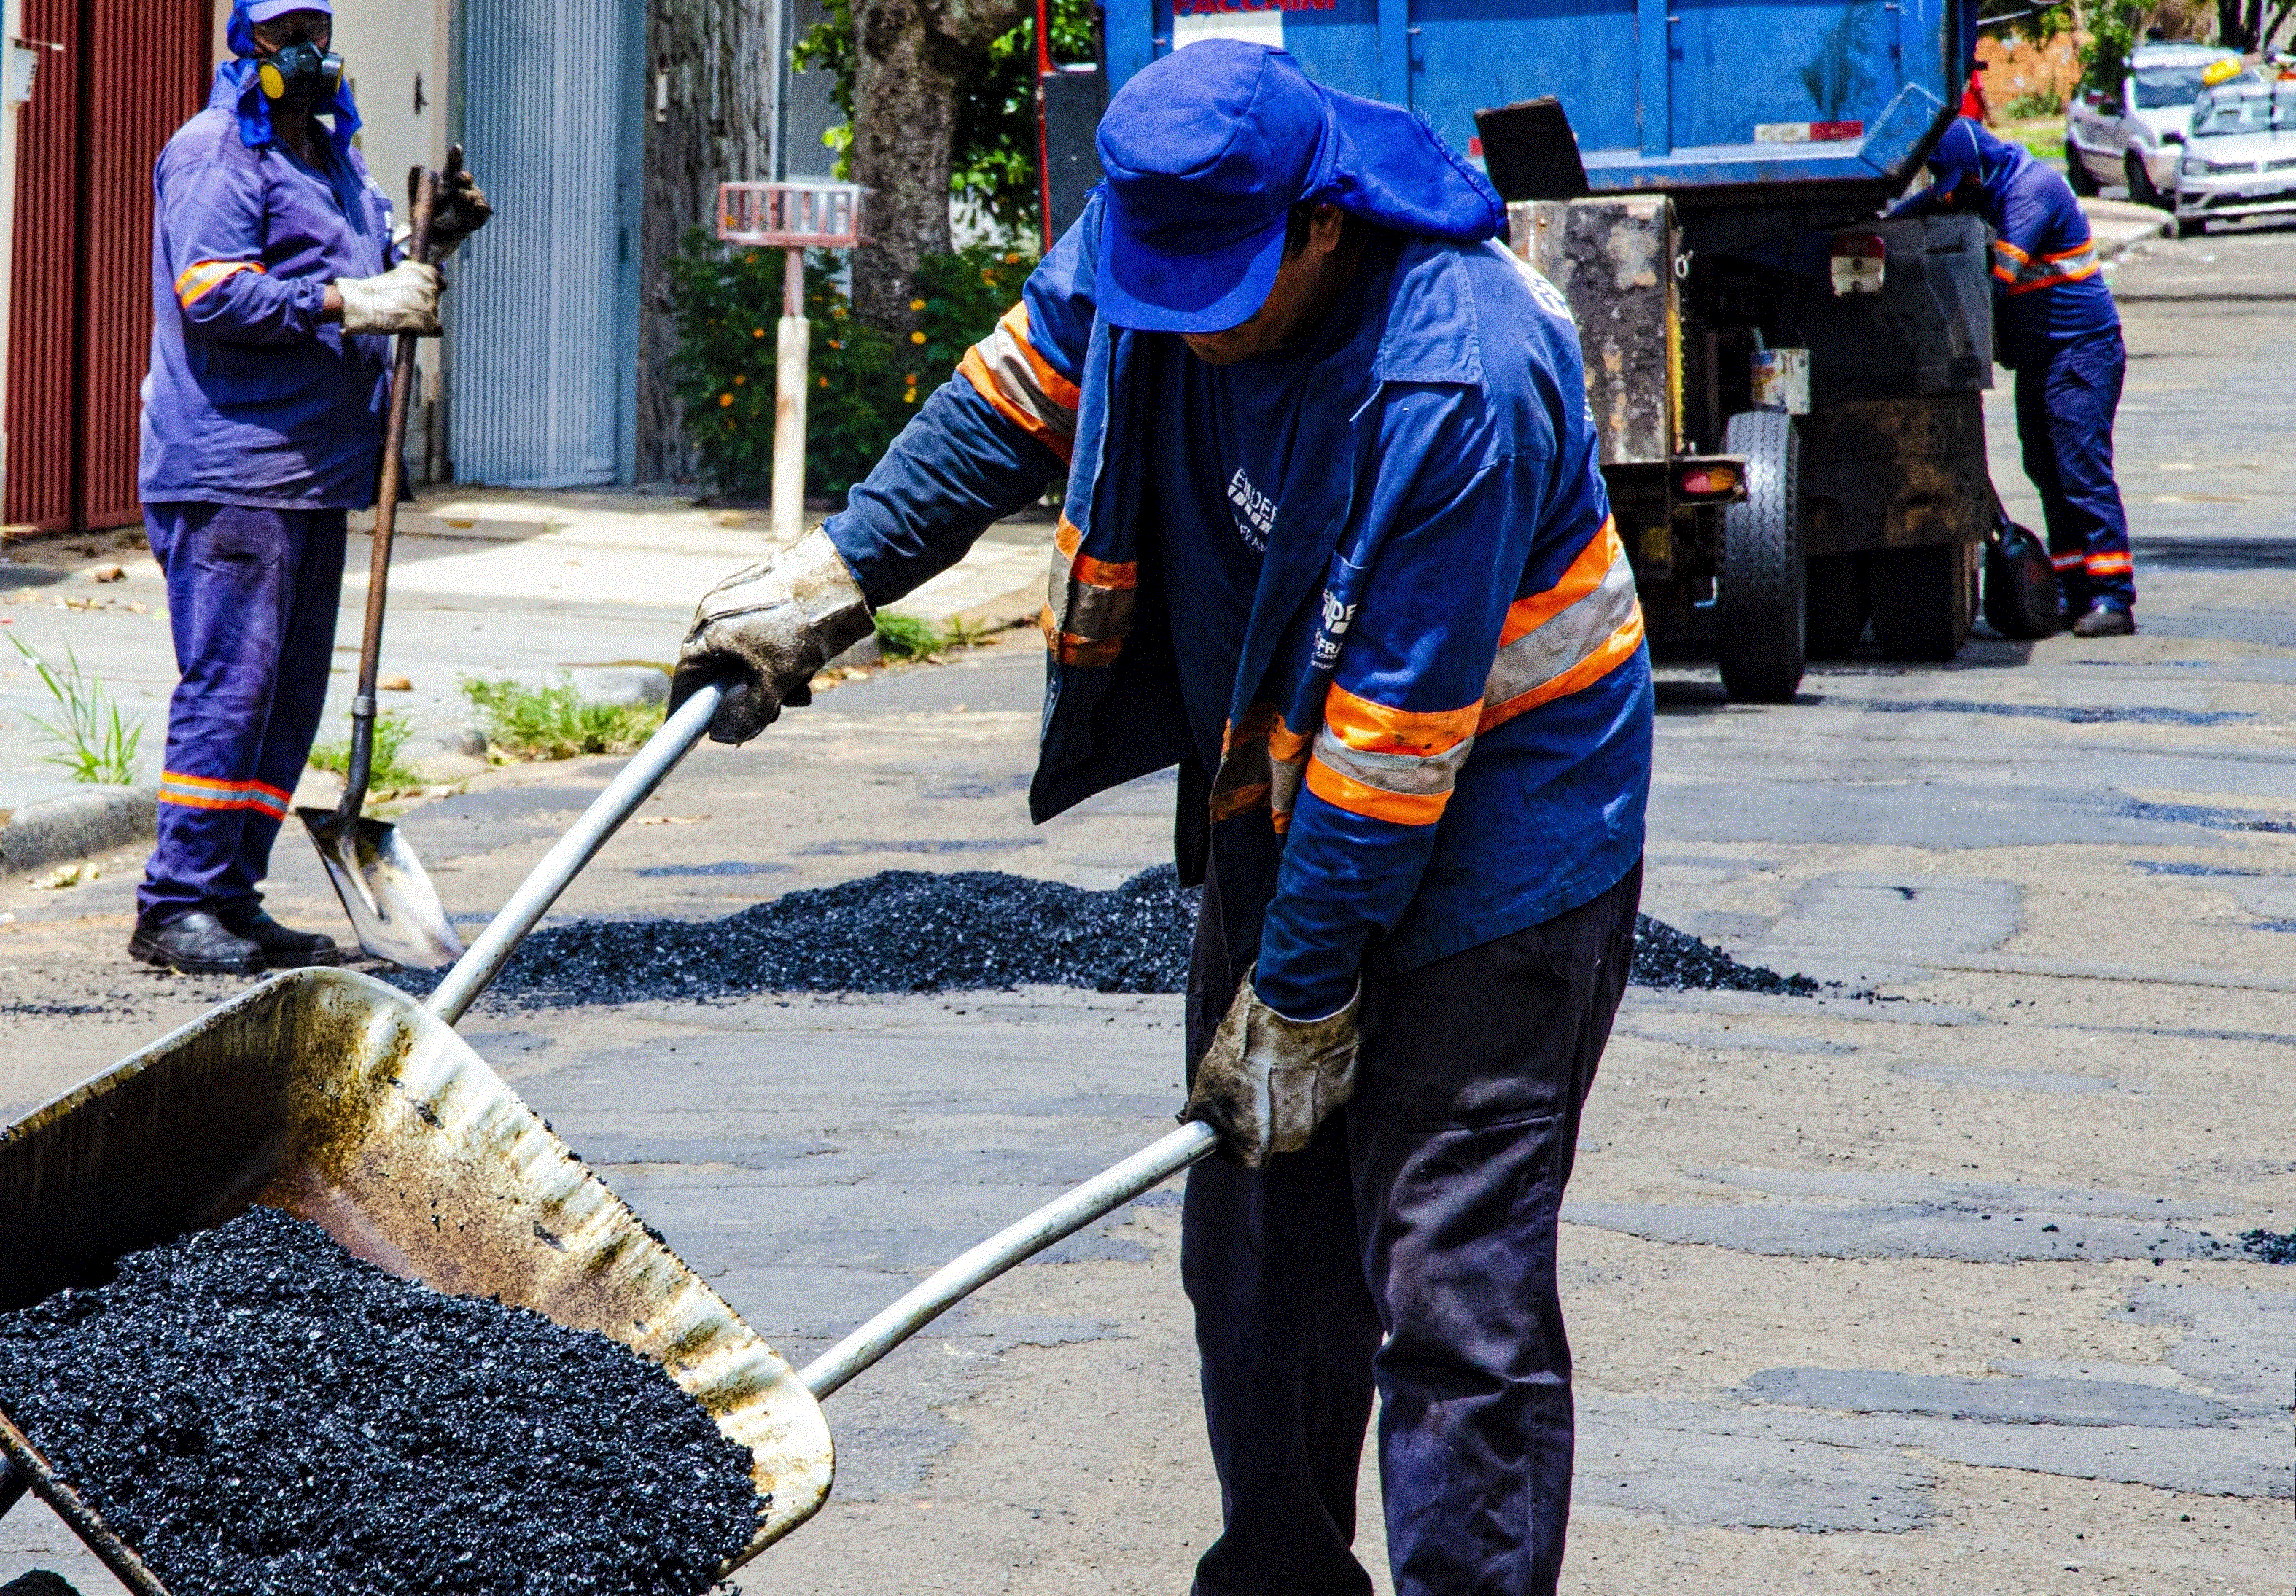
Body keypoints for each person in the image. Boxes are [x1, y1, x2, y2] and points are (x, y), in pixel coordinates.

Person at [671, 41, 1652, 1596]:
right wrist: (835, 577)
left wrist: (1305, 988)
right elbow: (1002, 403)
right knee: (1255, 1256)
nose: (1182, 325)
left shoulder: (1453, 368)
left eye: (1223, 289)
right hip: (1285, 795)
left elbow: (1396, 749)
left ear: (1321, 224)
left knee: (1444, 1283)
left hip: (1497, 850)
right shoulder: (1159, 225)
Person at [133, 0, 490, 974]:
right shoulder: (215, 152)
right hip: (233, 469)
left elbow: (379, 269)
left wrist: (432, 247)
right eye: (283, 31)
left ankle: (231, 896)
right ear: (244, 45)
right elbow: (210, 292)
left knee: (285, 701)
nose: (307, 50)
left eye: (317, 30)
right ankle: (175, 905)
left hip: (314, 472)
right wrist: (352, 302)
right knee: (231, 690)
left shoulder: (332, 156)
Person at [1893, 117, 2136, 636]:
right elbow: (1923, 209)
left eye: (1960, 185)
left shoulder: (2031, 190)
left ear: (1976, 170)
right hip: (2040, 358)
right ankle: (2073, 590)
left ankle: (2114, 597)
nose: (1956, 196)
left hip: (2080, 352)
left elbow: (1993, 283)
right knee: (2045, 469)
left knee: (2080, 470)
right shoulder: (1982, 186)